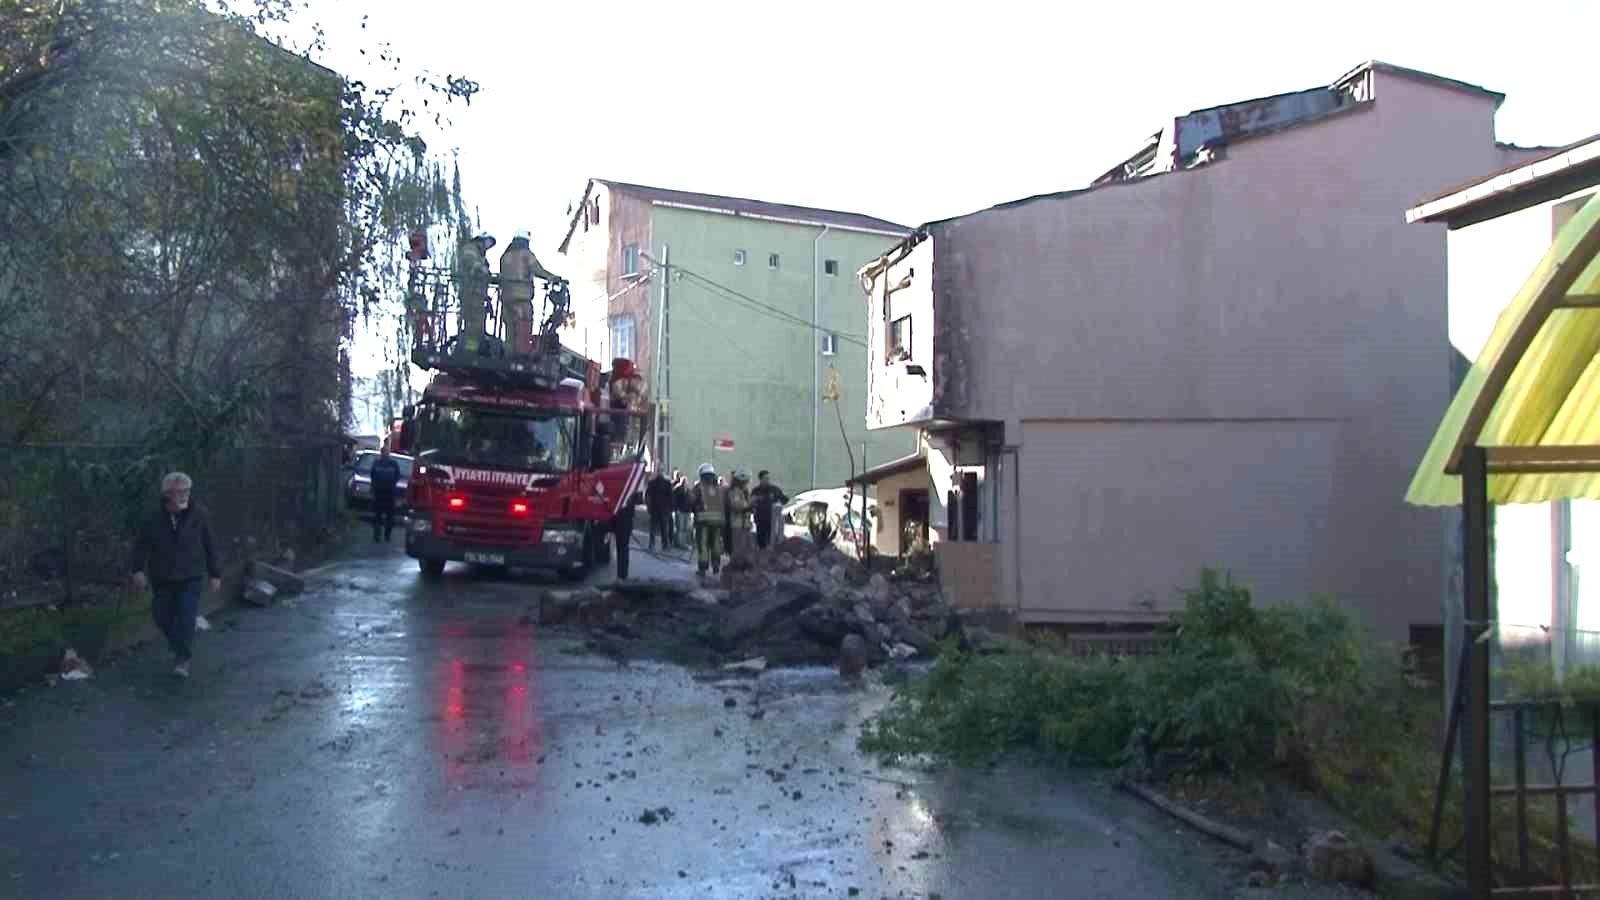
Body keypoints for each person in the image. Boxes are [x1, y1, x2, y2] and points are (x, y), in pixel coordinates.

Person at [130, 472, 221, 679]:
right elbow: (141, 545)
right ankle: (179, 647)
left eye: (186, 491)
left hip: (191, 576)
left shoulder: (199, 514)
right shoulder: (153, 517)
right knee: (161, 615)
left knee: (186, 616)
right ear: (166, 495)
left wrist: (215, 573)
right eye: (178, 492)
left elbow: (210, 544)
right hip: (162, 577)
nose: (184, 496)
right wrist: (137, 570)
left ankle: (183, 659)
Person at [497, 229, 562, 354]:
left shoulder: (504, 257)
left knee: (509, 330)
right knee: (523, 326)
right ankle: (522, 356)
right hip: (522, 298)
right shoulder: (525, 254)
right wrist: (552, 277)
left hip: (506, 299)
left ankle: (509, 356)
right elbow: (537, 270)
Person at [455, 231, 494, 355]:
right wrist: (480, 268)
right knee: (472, 322)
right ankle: (470, 350)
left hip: (478, 293)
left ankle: (476, 347)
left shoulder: (480, 254)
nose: (488, 246)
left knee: (478, 322)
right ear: (481, 239)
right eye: (488, 243)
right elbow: (470, 261)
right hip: (470, 291)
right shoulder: (470, 249)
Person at [689, 463, 725, 577]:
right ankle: (716, 566)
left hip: (703, 521)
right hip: (717, 521)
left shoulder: (698, 487)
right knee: (715, 544)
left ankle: (703, 568)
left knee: (703, 545)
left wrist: (693, 510)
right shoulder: (719, 487)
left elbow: (691, 501)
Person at [370, 445, 402, 542]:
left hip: (390, 492)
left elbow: (397, 476)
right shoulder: (377, 463)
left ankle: (387, 536)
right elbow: (373, 476)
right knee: (378, 515)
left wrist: (392, 484)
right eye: (384, 452)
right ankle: (377, 535)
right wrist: (374, 487)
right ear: (381, 453)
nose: (386, 454)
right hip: (379, 492)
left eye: (387, 452)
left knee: (390, 516)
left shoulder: (393, 464)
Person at [750, 469, 788, 550]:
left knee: (772, 541)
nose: (767, 480)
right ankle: (762, 556)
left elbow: (784, 499)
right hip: (760, 520)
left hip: (772, 520)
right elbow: (751, 504)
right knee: (761, 542)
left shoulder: (774, 489)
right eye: (765, 478)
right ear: (760, 479)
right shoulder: (756, 491)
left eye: (768, 478)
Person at [725, 468, 753, 559]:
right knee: (737, 548)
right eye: (746, 481)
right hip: (737, 523)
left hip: (745, 523)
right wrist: (748, 506)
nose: (748, 483)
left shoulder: (744, 491)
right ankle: (735, 565)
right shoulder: (735, 491)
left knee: (745, 547)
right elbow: (736, 506)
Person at [645, 468, 673, 551]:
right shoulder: (667, 483)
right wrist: (670, 508)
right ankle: (664, 545)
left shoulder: (652, 483)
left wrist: (648, 507)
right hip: (663, 509)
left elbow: (647, 496)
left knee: (654, 528)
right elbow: (671, 497)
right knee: (663, 528)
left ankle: (652, 544)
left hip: (655, 509)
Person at [671, 470, 691, 549]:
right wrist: (676, 509)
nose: (686, 483)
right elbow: (674, 500)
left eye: (686, 482)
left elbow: (690, 500)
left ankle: (683, 543)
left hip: (687, 511)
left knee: (685, 529)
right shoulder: (678, 489)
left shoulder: (688, 490)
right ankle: (679, 544)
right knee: (680, 528)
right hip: (680, 511)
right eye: (684, 481)